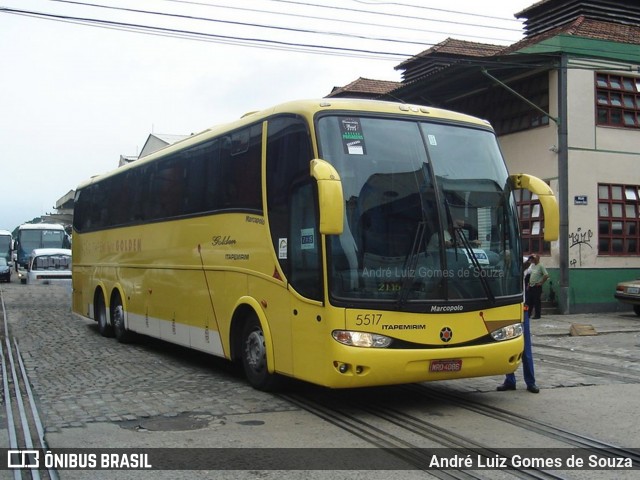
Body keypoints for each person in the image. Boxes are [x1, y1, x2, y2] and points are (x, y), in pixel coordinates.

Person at [497, 255, 539, 394]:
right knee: (508, 346)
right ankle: (510, 380)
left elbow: (528, 266)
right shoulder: (498, 263)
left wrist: (530, 260)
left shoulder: (521, 260)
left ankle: (531, 382)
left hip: (520, 310)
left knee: (525, 349)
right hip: (505, 309)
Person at [526, 254, 549, 319]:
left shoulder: (540, 266)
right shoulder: (533, 266)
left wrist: (541, 283)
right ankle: (528, 314)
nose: (532, 260)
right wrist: (529, 284)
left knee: (536, 301)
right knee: (529, 301)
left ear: (537, 259)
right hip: (531, 286)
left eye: (533, 259)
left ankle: (537, 315)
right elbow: (531, 275)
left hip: (537, 286)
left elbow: (546, 275)